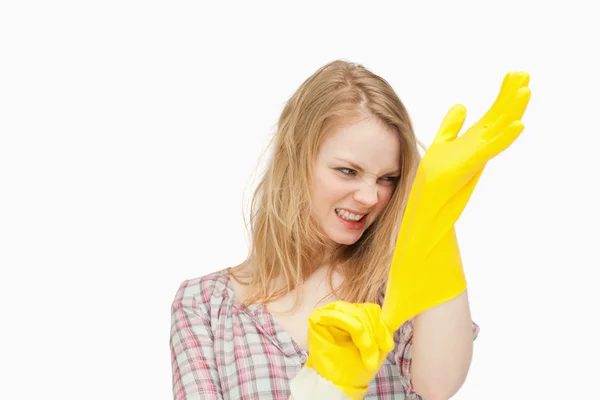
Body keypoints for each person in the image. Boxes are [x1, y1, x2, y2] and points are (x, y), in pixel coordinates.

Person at [169, 59, 530, 399]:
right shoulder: (204, 306)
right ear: (294, 158)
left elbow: (439, 385)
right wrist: (328, 387)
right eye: (348, 171)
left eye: (389, 178)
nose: (371, 196)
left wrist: (437, 214)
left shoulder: (391, 287)